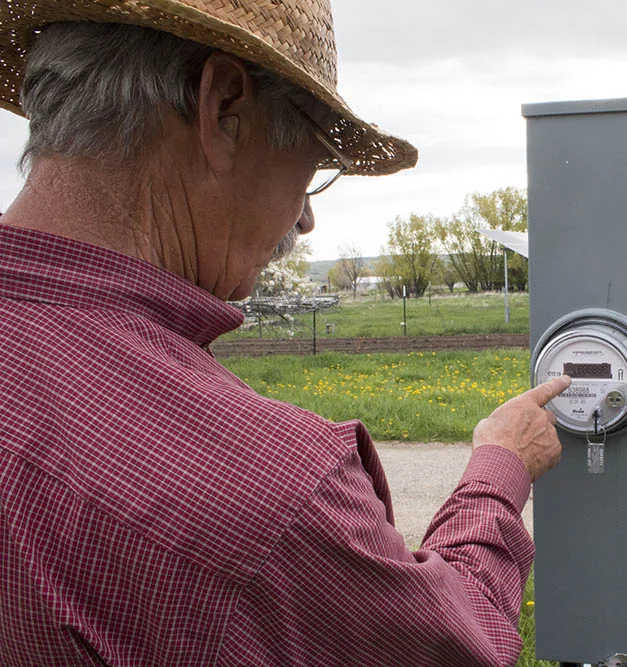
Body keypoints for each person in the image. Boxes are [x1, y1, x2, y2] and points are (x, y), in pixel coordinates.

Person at [0, 2, 570, 665]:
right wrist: (499, 467)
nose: (305, 219)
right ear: (223, 108)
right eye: (316, 157)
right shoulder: (271, 491)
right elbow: (459, 645)